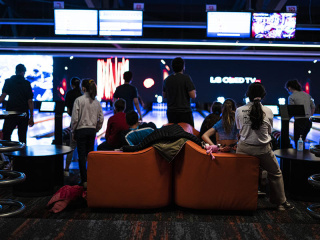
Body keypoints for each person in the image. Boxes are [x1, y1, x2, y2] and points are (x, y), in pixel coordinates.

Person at [235, 82, 294, 210]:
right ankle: (280, 203)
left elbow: (239, 130)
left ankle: (238, 199)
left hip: (244, 149)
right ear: (263, 95)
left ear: (247, 95)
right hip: (263, 150)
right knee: (276, 173)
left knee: (239, 173)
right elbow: (269, 132)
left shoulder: (239, 111)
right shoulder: (268, 111)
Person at [71, 79, 104, 188]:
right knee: (90, 155)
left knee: (81, 156)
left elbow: (75, 119)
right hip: (91, 131)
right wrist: (97, 129)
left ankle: (84, 180)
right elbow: (101, 119)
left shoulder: (78, 100)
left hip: (81, 130)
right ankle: (91, 178)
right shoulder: (96, 102)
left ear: (83, 88)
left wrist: (73, 131)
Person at [0, 64, 34, 144]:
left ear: (16, 71)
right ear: (24, 72)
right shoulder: (27, 83)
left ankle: (7, 155)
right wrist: (32, 116)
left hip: (10, 113)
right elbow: (30, 101)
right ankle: (22, 156)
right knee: (22, 138)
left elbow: (3, 97)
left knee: (6, 136)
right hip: (23, 114)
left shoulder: (8, 81)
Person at [162, 57, 196, 127]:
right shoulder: (186, 78)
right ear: (183, 67)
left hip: (171, 113)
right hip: (185, 113)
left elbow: (164, 96)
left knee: (174, 134)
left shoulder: (167, 79)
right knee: (188, 135)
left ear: (172, 67)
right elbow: (193, 95)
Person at [285, 79, 315, 149]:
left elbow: (291, 110)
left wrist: (287, 119)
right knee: (302, 141)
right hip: (308, 122)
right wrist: (310, 116)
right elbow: (313, 107)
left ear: (289, 88)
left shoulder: (291, 97)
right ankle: (303, 158)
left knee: (298, 142)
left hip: (299, 122)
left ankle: (299, 159)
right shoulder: (307, 95)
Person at [64, 77, 82, 176]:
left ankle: (66, 169)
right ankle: (82, 171)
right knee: (82, 149)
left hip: (74, 123)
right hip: (83, 124)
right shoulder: (82, 95)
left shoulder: (69, 94)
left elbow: (68, 111)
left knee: (71, 146)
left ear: (71, 84)